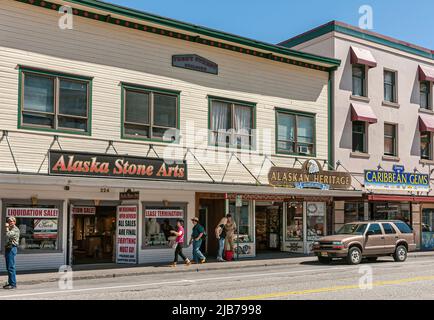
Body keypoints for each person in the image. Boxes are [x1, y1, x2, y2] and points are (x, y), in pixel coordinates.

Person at [4, 217, 20, 290]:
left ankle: (13, 284)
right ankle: (10, 282)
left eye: (11, 221)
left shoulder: (15, 229)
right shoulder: (11, 229)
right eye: (9, 221)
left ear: (14, 222)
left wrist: (7, 227)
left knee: (11, 267)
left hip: (12, 248)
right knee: (8, 267)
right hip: (8, 248)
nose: (10, 222)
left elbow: (8, 235)